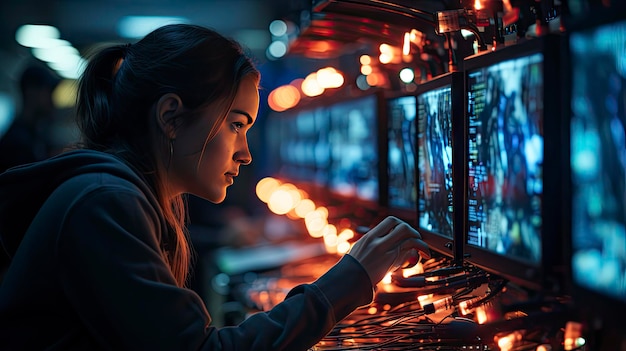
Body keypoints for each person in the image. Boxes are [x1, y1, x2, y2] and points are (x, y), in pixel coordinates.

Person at [0, 24, 430, 350]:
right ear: (171, 117)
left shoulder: (124, 195)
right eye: (235, 125)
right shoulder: (105, 204)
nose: (245, 154)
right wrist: (349, 280)